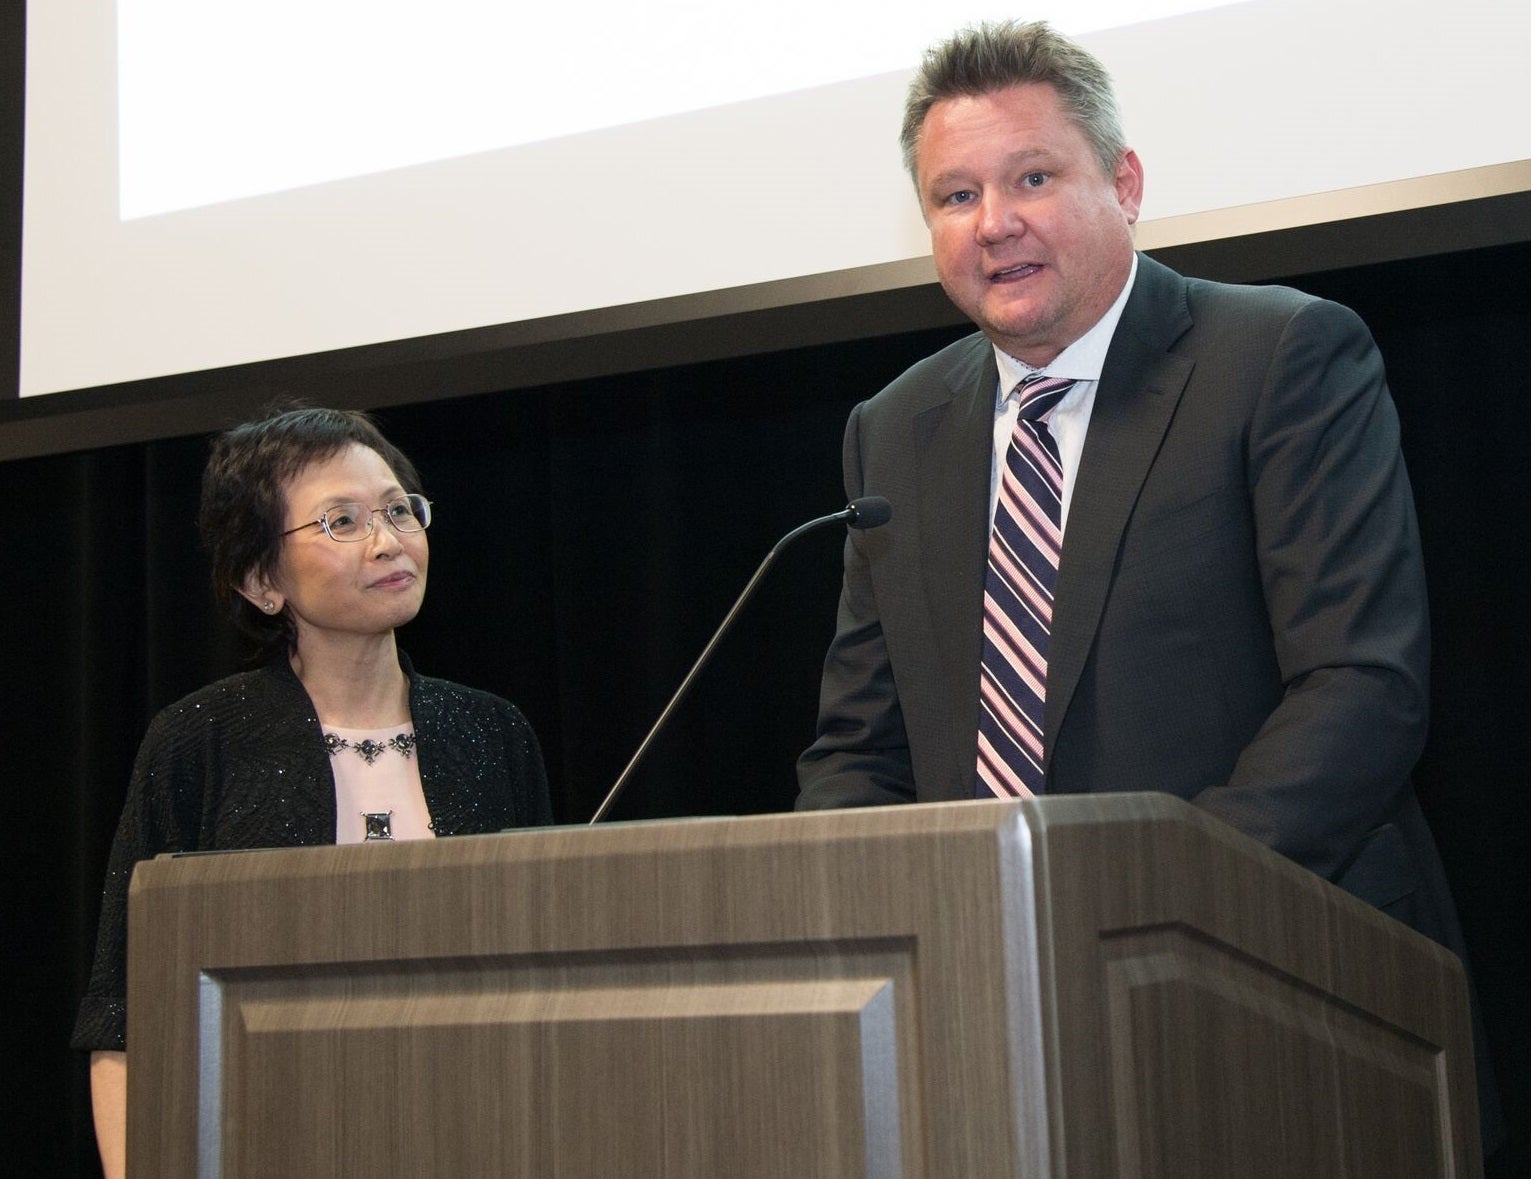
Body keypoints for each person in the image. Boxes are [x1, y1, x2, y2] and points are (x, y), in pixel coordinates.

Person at [796, 20, 1501, 1151]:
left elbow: (1359, 687)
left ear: (1122, 183)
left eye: (1033, 177)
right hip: (984, 1021)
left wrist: (1142, 910)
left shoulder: (1279, 357)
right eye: (955, 194)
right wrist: (873, 915)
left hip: (1276, 987)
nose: (996, 222)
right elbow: (856, 751)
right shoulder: (895, 430)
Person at [70, 407, 554, 1178]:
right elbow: (126, 1016)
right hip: (264, 1140)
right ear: (263, 580)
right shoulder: (199, 740)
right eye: (341, 521)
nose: (388, 540)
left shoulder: (490, 732)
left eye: (399, 510)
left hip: (475, 1133)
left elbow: (548, 981)